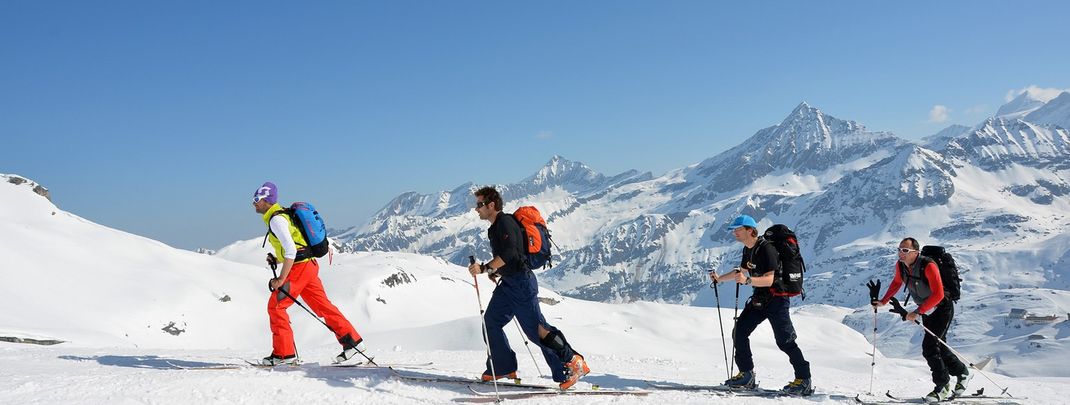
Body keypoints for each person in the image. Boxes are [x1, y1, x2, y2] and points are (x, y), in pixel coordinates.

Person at [467, 186, 589, 389]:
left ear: (491, 205)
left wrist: (485, 268)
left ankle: (573, 362)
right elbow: (512, 257)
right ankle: (502, 366)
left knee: (537, 330)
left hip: (521, 284)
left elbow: (510, 254)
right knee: (491, 322)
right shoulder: (495, 227)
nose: (476, 208)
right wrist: (496, 271)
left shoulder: (505, 222)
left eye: (479, 204)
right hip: (509, 284)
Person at [252, 182, 366, 365]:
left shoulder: (276, 220)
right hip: (309, 266)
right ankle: (353, 342)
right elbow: (296, 247)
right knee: (323, 306)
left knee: (276, 306)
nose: (254, 203)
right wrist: (277, 259)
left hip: (300, 268)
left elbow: (291, 250)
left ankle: (284, 355)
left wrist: (281, 279)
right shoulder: (282, 216)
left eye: (257, 199)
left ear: (267, 200)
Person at [710, 215, 812, 395]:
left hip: (777, 300)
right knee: (740, 332)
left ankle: (804, 380)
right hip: (760, 299)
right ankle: (746, 374)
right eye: (734, 230)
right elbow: (740, 272)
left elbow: (769, 279)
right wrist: (720, 279)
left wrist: (747, 281)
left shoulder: (767, 249)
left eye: (738, 229)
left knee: (785, 341)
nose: (734, 233)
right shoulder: (748, 249)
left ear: (750, 230)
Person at [874, 237, 971, 403]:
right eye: (899, 249)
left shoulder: (928, 266)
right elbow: (897, 282)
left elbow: (939, 294)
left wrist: (917, 312)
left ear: (916, 252)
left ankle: (942, 386)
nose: (901, 253)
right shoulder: (900, 266)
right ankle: (962, 372)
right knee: (940, 346)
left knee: (930, 347)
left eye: (905, 250)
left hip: (942, 308)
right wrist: (883, 301)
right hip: (926, 309)